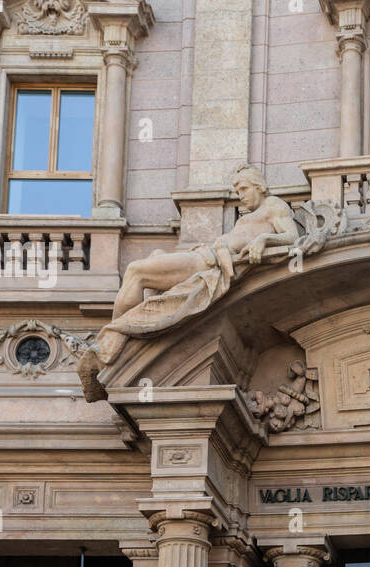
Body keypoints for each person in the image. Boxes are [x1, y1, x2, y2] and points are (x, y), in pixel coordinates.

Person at [78, 165, 299, 399]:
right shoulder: (250, 216)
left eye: (244, 189)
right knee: (155, 258)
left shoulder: (273, 205)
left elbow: (293, 237)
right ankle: (134, 339)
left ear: (260, 186)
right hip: (207, 255)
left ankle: (112, 348)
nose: (240, 196)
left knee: (136, 272)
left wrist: (264, 239)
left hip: (206, 263)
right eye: (237, 191)